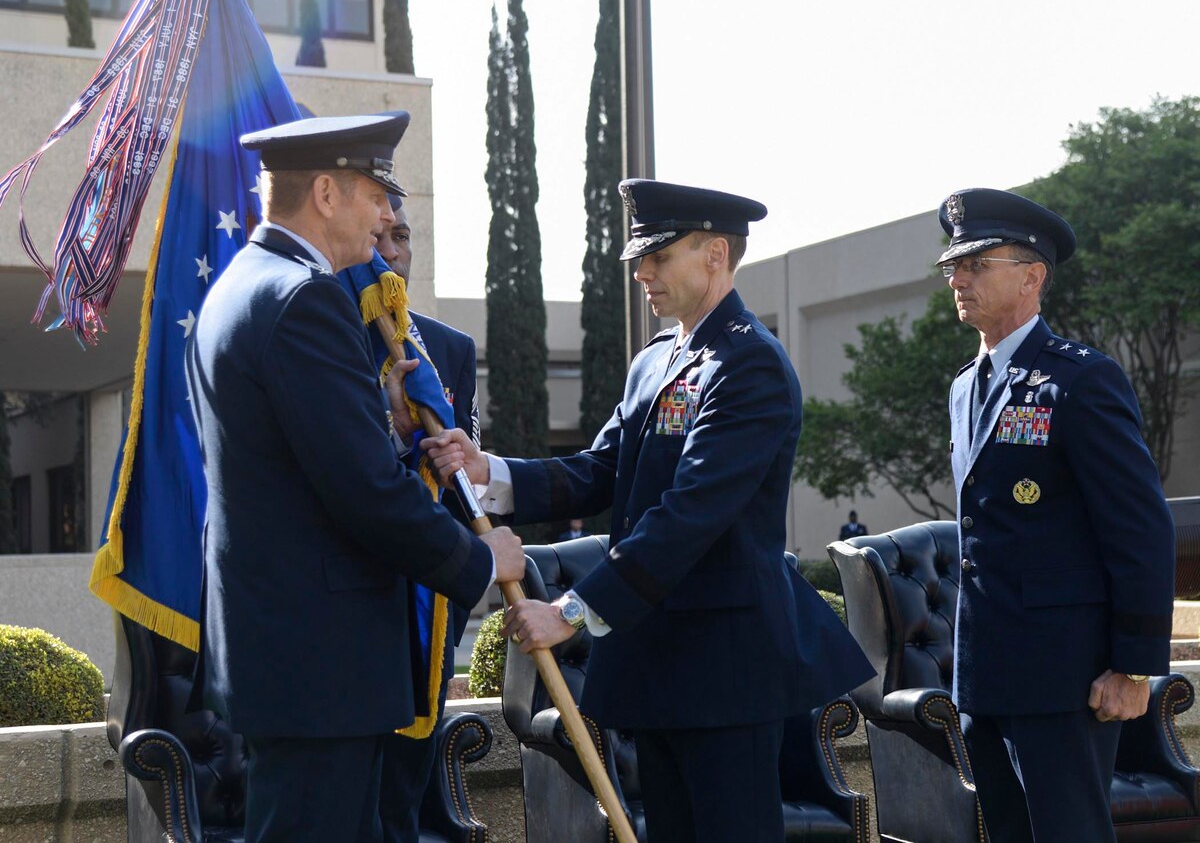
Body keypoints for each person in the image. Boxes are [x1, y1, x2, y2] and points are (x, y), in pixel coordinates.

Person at [424, 179, 873, 843]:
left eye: (659, 256)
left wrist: (569, 613)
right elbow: (601, 469)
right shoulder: (656, 361)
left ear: (714, 253)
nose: (643, 272)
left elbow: (685, 515)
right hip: (657, 666)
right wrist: (489, 472)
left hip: (725, 672)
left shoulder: (750, 366)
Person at [184, 111, 524, 843]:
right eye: (376, 194)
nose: (386, 214)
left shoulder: (243, 284)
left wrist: (387, 422)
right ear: (329, 194)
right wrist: (479, 559)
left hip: (286, 657)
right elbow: (367, 492)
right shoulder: (307, 298)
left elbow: (296, 454)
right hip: (321, 667)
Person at [938, 187, 1175, 842]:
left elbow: (1139, 525)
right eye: (953, 266)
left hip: (1066, 678)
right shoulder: (965, 386)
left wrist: (1132, 666)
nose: (957, 277)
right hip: (985, 675)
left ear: (1031, 275)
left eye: (976, 264)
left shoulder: (1081, 380)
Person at [371, 194, 482, 843]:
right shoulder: (326, 340)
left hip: (424, 626)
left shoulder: (449, 350)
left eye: (404, 237)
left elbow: (462, 499)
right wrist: (390, 428)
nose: (392, 252)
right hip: (344, 626)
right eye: (381, 237)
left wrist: (449, 614)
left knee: (400, 814)